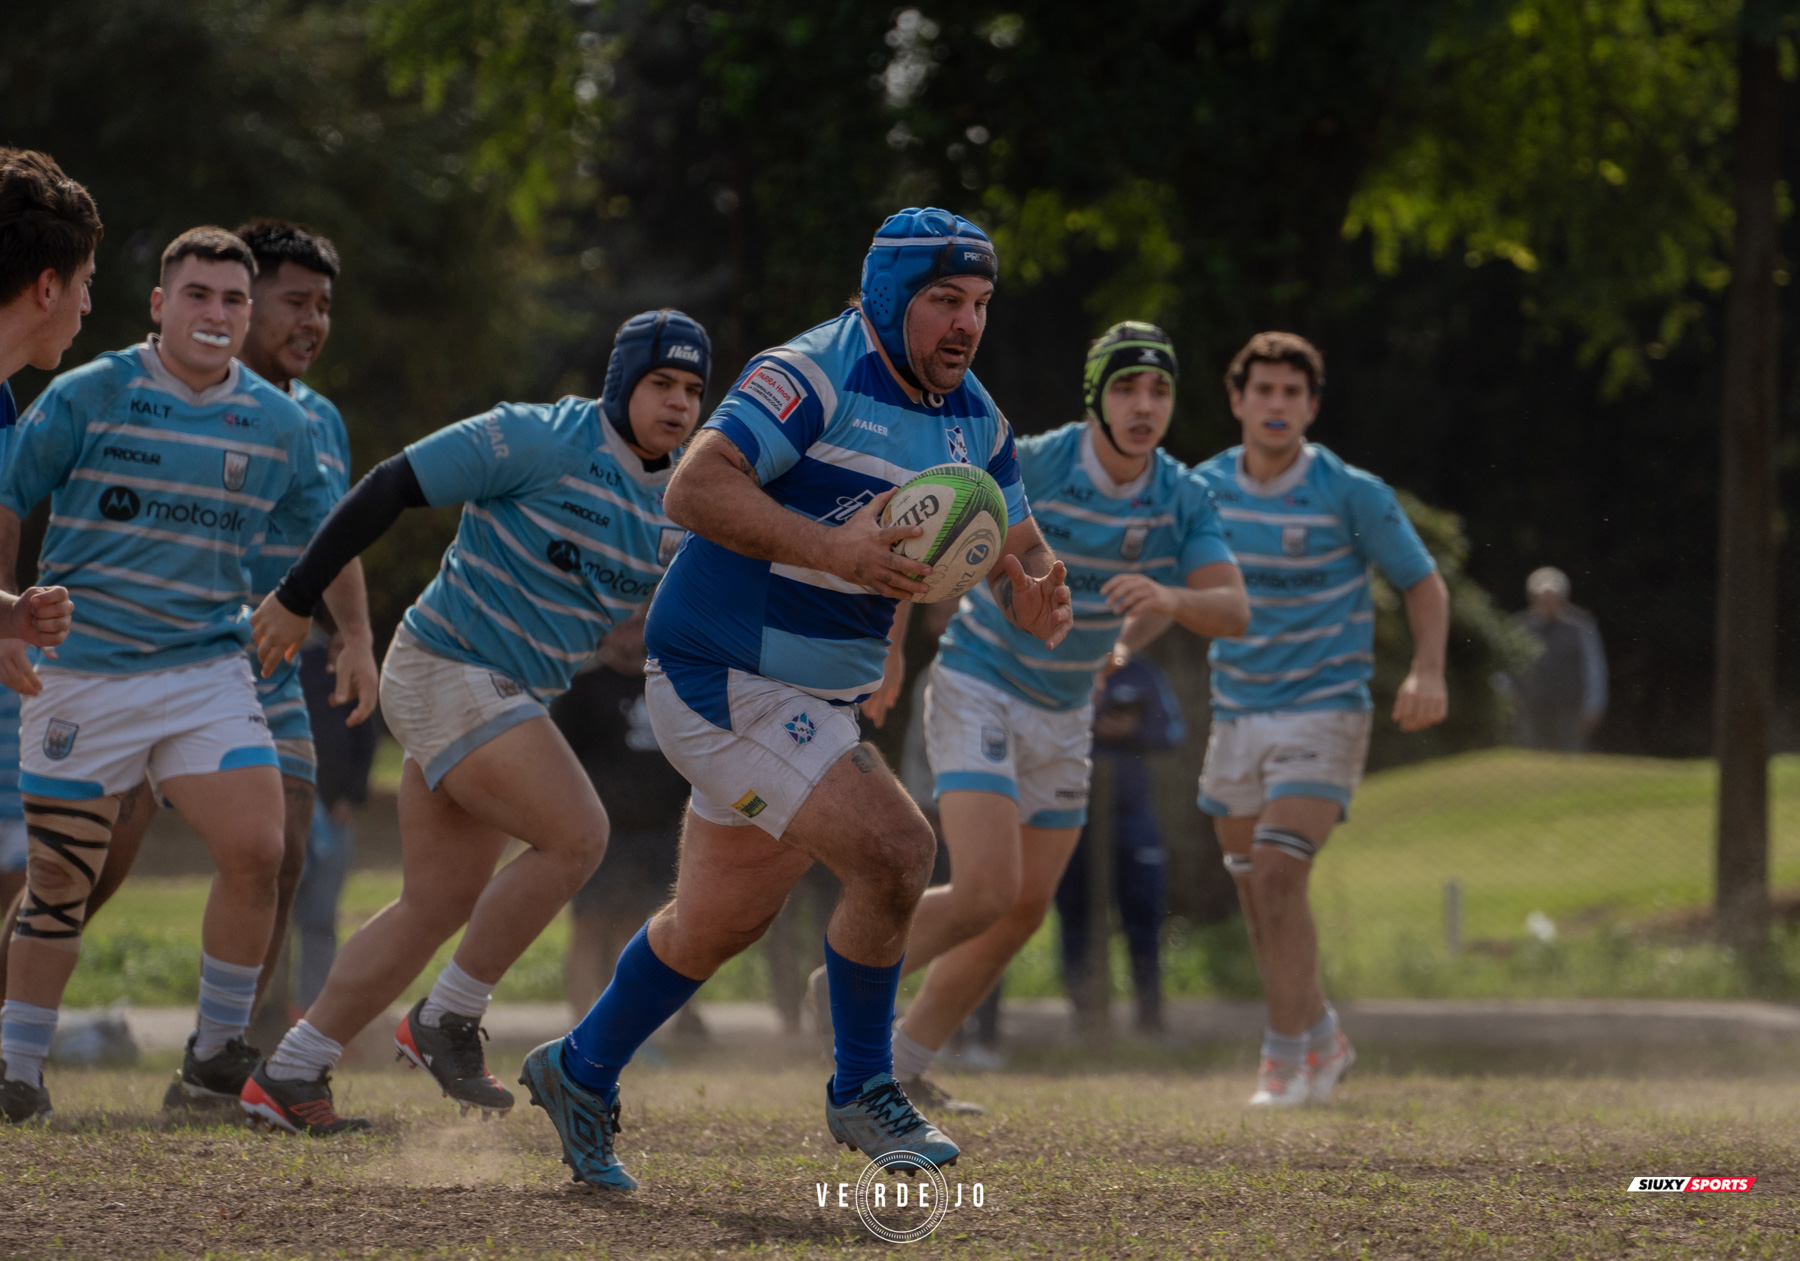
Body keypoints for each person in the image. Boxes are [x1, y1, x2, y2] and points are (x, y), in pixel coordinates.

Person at [517, 207, 1072, 1193]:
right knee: (900, 850)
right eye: (946, 299)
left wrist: (1032, 588)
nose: (966, 324)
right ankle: (864, 1084)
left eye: (981, 304)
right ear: (894, 295)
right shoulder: (812, 371)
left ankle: (577, 1067)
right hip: (719, 673)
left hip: (813, 698)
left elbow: (1013, 541)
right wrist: (833, 547)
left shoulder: (976, 417)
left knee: (715, 921)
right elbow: (692, 489)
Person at [242, 309, 711, 1136]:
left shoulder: (680, 502)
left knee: (434, 902)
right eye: (661, 383)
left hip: (506, 693)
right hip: (442, 665)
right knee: (578, 835)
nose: (678, 403)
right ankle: (446, 1019)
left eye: (693, 390)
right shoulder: (537, 437)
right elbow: (389, 482)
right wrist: (296, 592)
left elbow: (652, 624)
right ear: (621, 383)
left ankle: (289, 1069)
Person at [0, 226, 345, 1123]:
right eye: (199, 295)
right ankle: (17, 1066)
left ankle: (212, 1058)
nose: (218, 314)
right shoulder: (92, 391)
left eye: (234, 299)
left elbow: (327, 525)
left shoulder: (279, 422)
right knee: (63, 877)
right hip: (84, 670)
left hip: (204, 670)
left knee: (261, 848)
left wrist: (334, 620)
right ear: (160, 305)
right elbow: (6, 490)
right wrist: (2, 615)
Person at [874, 321, 1246, 1113]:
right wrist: (893, 650)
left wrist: (1169, 600)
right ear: (1095, 399)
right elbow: (919, 527)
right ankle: (849, 971)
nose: (1144, 405)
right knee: (984, 890)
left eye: (1160, 390)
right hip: (981, 681)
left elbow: (1233, 607)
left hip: (1067, 710)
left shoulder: (1181, 494)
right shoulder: (1033, 461)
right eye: (1125, 387)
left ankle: (903, 1066)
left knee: (1020, 912)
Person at [1193, 331, 1449, 1108]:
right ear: (1237, 400)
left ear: (1311, 406)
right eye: (1262, 391)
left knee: (1276, 873)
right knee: (1258, 895)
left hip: (1325, 709)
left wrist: (1428, 668)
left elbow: (1424, 584)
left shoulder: (1350, 491)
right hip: (1235, 713)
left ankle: (1283, 1058)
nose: (1276, 405)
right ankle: (1324, 1035)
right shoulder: (1198, 489)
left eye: (1292, 393)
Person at [0, 149, 97, 923]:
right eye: (87, 284)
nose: (88, 307)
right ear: (48, 287)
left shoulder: (3, 406)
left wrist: (11, 615)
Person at [551, 625, 694, 1028]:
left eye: (638, 625)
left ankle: (628, 1031)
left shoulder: (670, 683)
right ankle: (580, 1026)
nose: (630, 637)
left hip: (664, 832)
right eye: (621, 626)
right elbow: (559, 763)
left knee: (640, 935)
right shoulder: (581, 688)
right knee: (589, 928)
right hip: (603, 833)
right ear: (604, 630)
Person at [1054, 654, 1185, 1034]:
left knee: (1144, 916)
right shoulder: (1064, 664)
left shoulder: (1143, 671)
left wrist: (1133, 729)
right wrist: (1090, 725)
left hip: (1132, 815)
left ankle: (1150, 1020)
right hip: (1071, 814)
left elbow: (1173, 733)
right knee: (1074, 916)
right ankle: (1085, 1021)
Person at [290, 632, 378, 1008]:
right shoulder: (257, 651)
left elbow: (364, 731)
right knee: (266, 915)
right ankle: (261, 1017)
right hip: (282, 806)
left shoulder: (338, 655)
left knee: (320, 920)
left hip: (332, 810)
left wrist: (350, 794)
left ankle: (313, 1014)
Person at [1509, 566, 1606, 751]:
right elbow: (1508, 669)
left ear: (1563, 599)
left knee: (1569, 758)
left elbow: (1594, 668)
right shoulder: (1519, 627)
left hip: (1570, 709)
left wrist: (1593, 705)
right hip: (1530, 708)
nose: (1548, 603)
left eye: (1553, 598)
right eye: (1543, 598)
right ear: (1533, 598)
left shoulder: (1580, 627)